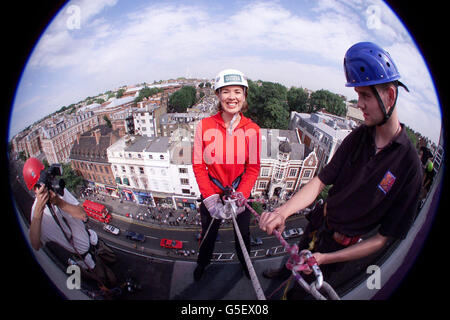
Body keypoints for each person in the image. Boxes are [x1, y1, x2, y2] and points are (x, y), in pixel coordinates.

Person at [259, 42, 423, 299]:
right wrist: (283, 211)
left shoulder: (409, 167)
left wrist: (326, 258)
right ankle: (285, 272)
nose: (359, 105)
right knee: (297, 258)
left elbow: (382, 239)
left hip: (339, 252)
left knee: (301, 295)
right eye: (358, 96)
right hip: (319, 224)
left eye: (365, 96)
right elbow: (320, 181)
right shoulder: (358, 137)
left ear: (390, 96)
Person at [192, 68, 261, 281]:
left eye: (238, 92)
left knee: (243, 236)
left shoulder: (253, 130)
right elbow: (198, 165)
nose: (232, 97)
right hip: (212, 192)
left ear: (244, 96)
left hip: (239, 191)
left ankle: (245, 265)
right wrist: (211, 199)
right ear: (218, 95)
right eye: (226, 91)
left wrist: (241, 195)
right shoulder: (203, 127)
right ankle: (202, 264)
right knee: (208, 234)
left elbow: (253, 168)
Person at [23, 157, 115, 287]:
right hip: (86, 260)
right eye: (39, 186)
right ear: (34, 189)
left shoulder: (60, 192)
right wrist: (39, 211)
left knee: (114, 260)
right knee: (109, 281)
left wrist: (59, 203)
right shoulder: (37, 214)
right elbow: (35, 244)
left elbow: (82, 215)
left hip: (94, 243)